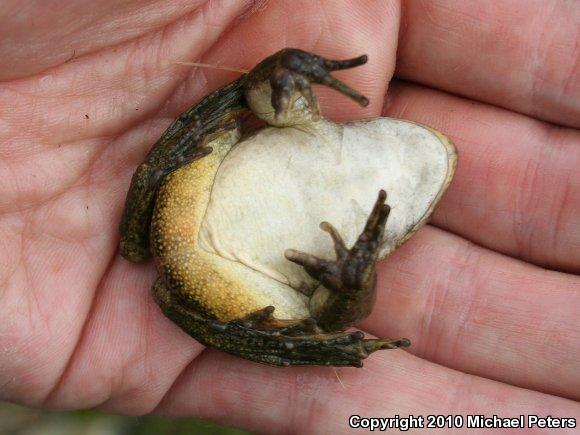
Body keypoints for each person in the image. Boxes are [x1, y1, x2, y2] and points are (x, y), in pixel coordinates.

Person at [0, 1, 578, 432]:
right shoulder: (308, 124)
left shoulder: (303, 126)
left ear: (398, 230)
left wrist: (352, 286)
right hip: (190, 220)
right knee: (309, 305)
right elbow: (264, 94)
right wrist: (290, 67)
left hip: (239, 278)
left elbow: (332, 315)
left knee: (315, 318)